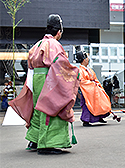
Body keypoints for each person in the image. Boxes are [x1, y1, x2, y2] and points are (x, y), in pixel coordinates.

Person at [9, 14, 80, 154]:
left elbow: (29, 64)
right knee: (52, 107)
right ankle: (47, 144)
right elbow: (61, 65)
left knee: (38, 108)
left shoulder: (37, 44)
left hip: (37, 79)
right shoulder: (54, 45)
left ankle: (34, 140)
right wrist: (74, 72)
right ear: (59, 32)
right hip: (49, 79)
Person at [75, 50, 111, 127]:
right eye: (87, 57)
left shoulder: (89, 69)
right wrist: (92, 84)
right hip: (87, 92)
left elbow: (95, 78)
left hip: (94, 89)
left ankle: (100, 117)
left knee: (101, 102)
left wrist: (97, 85)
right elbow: (82, 82)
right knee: (88, 106)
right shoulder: (80, 70)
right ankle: (86, 120)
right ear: (84, 59)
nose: (88, 59)